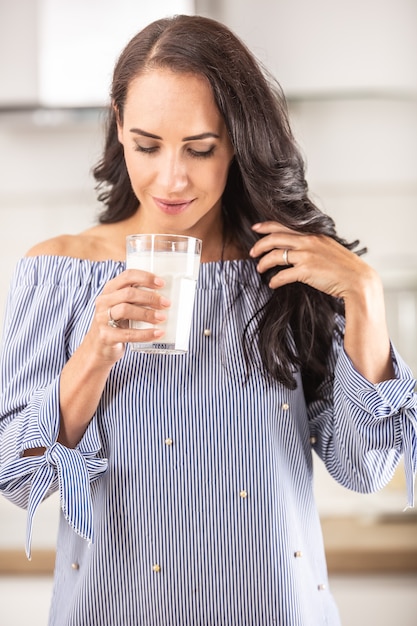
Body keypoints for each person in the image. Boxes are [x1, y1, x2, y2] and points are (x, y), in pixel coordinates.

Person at [0, 14, 416, 626]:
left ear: (239, 140)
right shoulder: (56, 271)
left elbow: (364, 468)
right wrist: (91, 355)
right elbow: (17, 475)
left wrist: (365, 296)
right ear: (118, 127)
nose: (171, 179)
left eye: (200, 149)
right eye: (146, 146)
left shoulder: (288, 272)